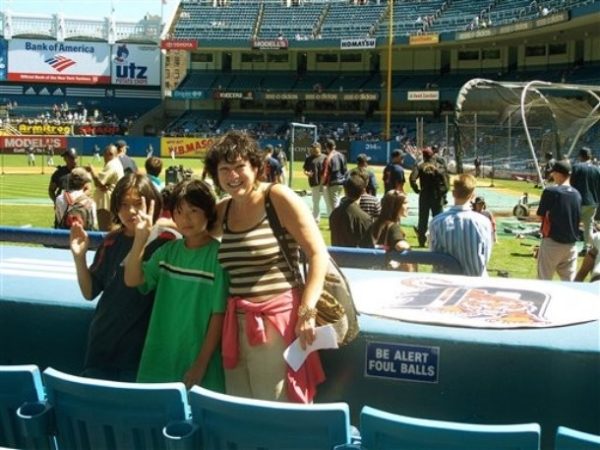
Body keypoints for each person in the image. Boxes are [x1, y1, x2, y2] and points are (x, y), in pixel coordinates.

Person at [203, 130, 328, 403]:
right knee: (240, 407)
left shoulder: (277, 197)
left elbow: (318, 253)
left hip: (278, 321)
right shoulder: (223, 211)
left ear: (256, 167)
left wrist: (307, 311)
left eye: (239, 167)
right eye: (225, 169)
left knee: (275, 407)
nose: (232, 175)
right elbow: (191, 231)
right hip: (236, 324)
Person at [124, 179, 229, 391]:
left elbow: (218, 315)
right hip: (160, 355)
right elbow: (132, 280)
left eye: (193, 210)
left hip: (198, 359)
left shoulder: (218, 257)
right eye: (179, 212)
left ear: (208, 213)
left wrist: (201, 364)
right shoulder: (168, 252)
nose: (185, 218)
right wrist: (140, 240)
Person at [69, 173, 171, 381]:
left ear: (152, 204)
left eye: (137, 204)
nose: (131, 211)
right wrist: (79, 257)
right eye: (123, 205)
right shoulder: (112, 241)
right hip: (103, 343)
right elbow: (90, 292)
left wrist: (145, 237)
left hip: (141, 352)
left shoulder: (166, 244)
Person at [429, 174, 492, 276]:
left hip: (445, 283)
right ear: (472, 195)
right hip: (475, 283)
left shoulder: (436, 222)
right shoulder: (484, 222)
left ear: (453, 193)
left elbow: (434, 255)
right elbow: (485, 257)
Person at [536, 160, 581, 281]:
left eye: (554, 173)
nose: (552, 175)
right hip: (571, 245)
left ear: (559, 174)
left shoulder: (550, 191)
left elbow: (540, 216)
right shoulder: (577, 194)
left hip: (552, 242)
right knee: (570, 285)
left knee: (543, 281)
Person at [410, 148, 449, 247]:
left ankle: (421, 241)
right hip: (436, 196)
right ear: (433, 156)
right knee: (439, 220)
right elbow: (447, 185)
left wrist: (417, 190)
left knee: (423, 219)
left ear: (423, 156)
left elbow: (412, 179)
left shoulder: (420, 166)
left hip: (424, 195)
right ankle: (440, 241)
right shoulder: (439, 166)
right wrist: (441, 193)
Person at [370, 190, 412, 270]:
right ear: (396, 206)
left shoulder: (376, 223)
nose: (408, 206)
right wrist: (410, 249)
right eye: (405, 203)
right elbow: (401, 245)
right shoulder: (393, 227)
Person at [329, 173, 374, 248]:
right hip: (356, 258)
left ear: (345, 191)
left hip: (336, 256)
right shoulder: (364, 218)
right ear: (363, 191)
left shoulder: (334, 213)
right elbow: (368, 247)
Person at [87, 144, 124, 231]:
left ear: (110, 154)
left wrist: (92, 170)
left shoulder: (112, 164)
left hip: (106, 204)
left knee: (105, 231)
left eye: (104, 155)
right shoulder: (116, 163)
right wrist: (104, 185)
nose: (104, 158)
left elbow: (99, 182)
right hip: (110, 201)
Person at [570, 147, 600, 255]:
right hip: (593, 202)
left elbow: (571, 185)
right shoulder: (597, 169)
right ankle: (587, 249)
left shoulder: (576, 167)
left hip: (578, 201)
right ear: (590, 156)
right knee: (589, 226)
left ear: (580, 156)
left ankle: (570, 247)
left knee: (573, 224)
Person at [322, 138, 348, 216]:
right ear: (334, 146)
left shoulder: (329, 157)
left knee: (334, 204)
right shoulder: (342, 155)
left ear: (327, 147)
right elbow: (345, 170)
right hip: (342, 182)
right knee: (336, 201)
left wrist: (323, 183)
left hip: (333, 183)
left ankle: (337, 222)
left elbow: (325, 173)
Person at [303, 142, 326, 224]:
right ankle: (316, 219)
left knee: (328, 201)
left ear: (319, 148)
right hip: (315, 182)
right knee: (315, 201)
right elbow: (305, 169)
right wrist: (307, 173)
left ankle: (333, 219)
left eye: (314, 148)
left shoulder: (325, 157)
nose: (312, 149)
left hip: (325, 184)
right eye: (312, 148)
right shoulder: (309, 159)